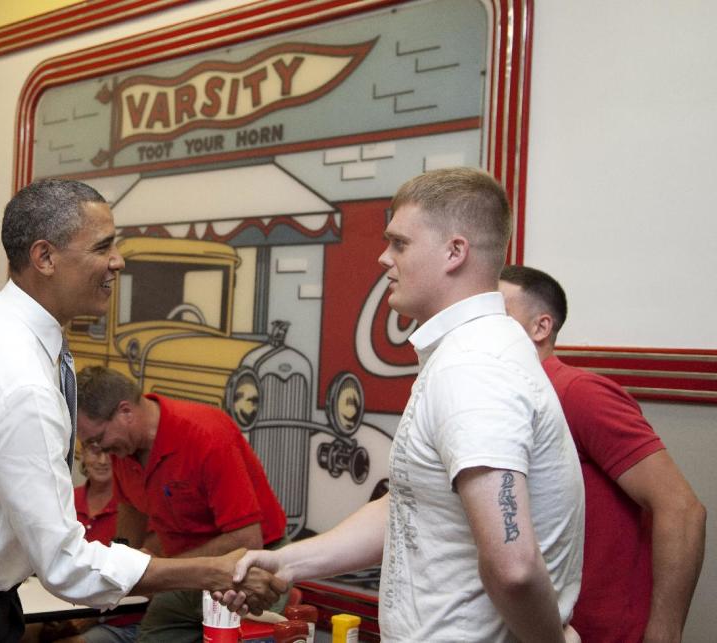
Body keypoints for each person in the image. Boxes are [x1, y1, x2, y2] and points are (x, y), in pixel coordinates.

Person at [0, 179, 285, 642]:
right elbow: (65, 565)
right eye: (103, 246)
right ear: (45, 258)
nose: (117, 261)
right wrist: (212, 571)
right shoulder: (21, 381)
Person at [226, 168, 584, 642]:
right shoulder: (464, 353)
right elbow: (414, 502)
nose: (384, 257)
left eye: (400, 243)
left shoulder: (474, 368)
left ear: (454, 251)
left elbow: (513, 568)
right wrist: (288, 561)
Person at [499, 264, 706, 643]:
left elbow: (682, 508)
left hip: (601, 631)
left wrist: (664, 633)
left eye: (500, 316)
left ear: (540, 327)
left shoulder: (579, 393)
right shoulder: (502, 403)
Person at [74, 365, 289, 643]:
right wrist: (122, 563)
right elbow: (131, 509)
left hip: (250, 568)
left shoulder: (205, 435)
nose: (100, 451)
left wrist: (158, 570)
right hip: (186, 573)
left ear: (125, 412)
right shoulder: (123, 449)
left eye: (98, 439)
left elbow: (247, 538)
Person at [39, 446, 141, 643]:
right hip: (57, 609)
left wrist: (93, 617)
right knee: (20, 633)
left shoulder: (132, 509)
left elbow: (138, 573)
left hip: (118, 620)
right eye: (95, 452)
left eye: (109, 453)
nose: (103, 461)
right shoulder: (65, 499)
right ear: (82, 455)